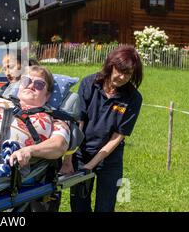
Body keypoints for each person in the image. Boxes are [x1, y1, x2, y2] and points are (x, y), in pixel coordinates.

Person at [61, 45, 143, 212]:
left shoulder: (133, 98)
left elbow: (118, 136)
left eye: (127, 74)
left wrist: (91, 165)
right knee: (78, 207)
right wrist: (69, 159)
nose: (121, 77)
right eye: (119, 70)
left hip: (109, 159)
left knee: (105, 208)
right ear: (111, 65)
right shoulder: (89, 83)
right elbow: (78, 122)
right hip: (81, 153)